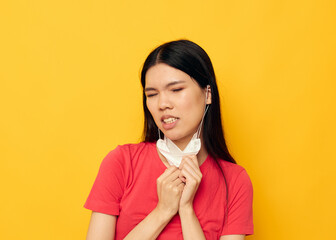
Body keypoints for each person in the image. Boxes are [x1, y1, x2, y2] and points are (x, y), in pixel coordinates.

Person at [84, 40, 253, 240]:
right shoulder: (121, 162)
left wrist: (186, 209)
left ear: (208, 94)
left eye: (176, 90)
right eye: (152, 94)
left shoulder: (234, 181)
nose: (163, 104)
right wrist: (163, 211)